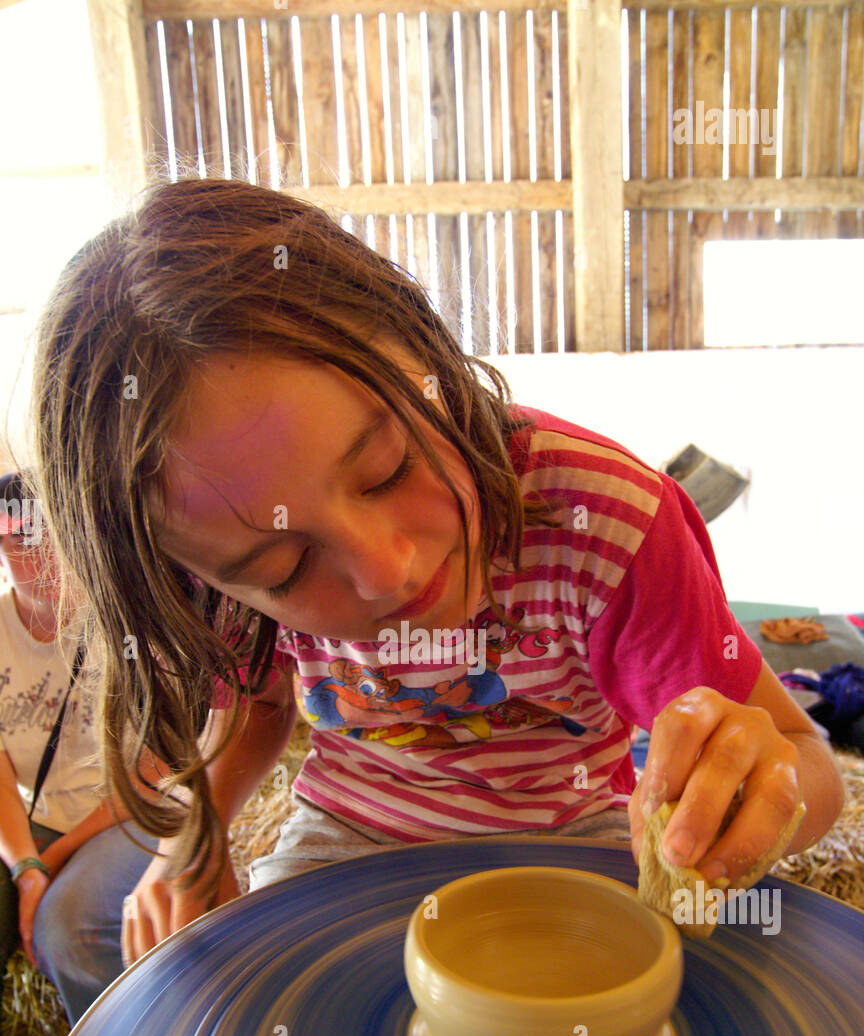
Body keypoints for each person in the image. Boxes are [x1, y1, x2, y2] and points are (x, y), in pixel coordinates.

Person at [25, 177, 844, 967]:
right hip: (348, 835)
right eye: (285, 565)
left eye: (386, 467)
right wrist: (194, 835)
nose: (389, 571)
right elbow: (260, 703)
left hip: (569, 834)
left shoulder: (614, 522)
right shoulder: (205, 542)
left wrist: (762, 785)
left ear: (428, 355)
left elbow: (806, 760)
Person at [0, 470, 162, 1032]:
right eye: (20, 538)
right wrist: (24, 865)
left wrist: (57, 855)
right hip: (38, 821)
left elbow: (153, 771)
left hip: (133, 813)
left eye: (52, 532)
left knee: (66, 933)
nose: (40, 552)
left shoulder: (122, 622)